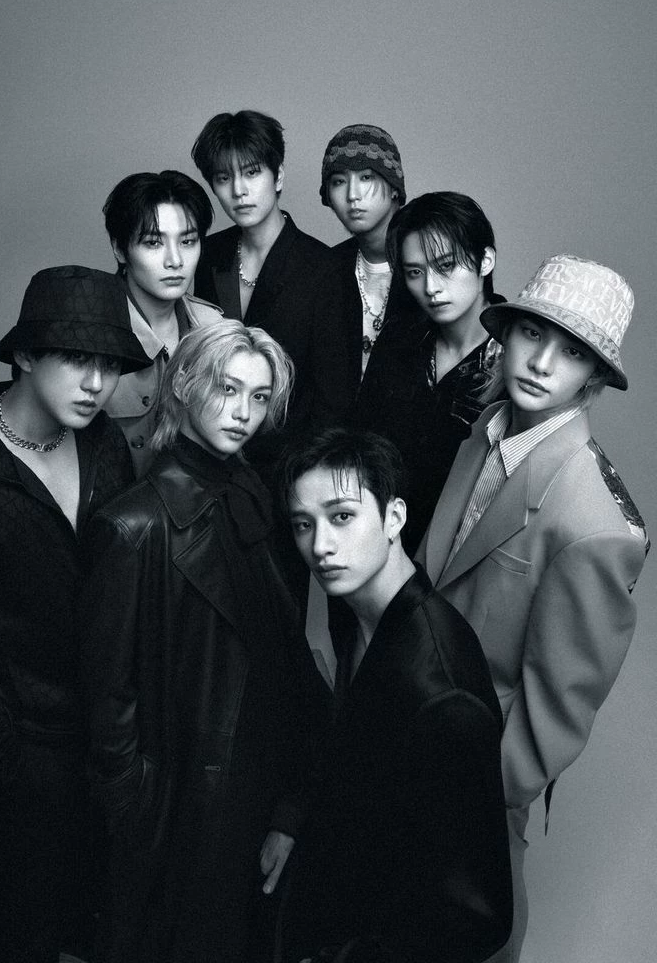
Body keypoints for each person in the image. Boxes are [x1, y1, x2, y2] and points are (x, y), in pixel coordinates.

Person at [417, 254, 650, 962]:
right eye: (532, 334)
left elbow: (554, 716)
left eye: (572, 352)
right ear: (507, 333)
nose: (543, 364)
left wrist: (475, 798)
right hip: (406, 742)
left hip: (475, 787)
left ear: (594, 377)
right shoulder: (485, 430)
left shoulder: (598, 525)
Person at [0, 266, 151, 963]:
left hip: (118, 742)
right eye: (76, 359)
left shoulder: (105, 446)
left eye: (109, 364)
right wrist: (11, 763)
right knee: (23, 934)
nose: (97, 383)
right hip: (30, 761)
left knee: (119, 928)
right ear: (23, 354)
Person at [79, 321, 325, 963]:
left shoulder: (253, 497)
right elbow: (107, 703)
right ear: (184, 385)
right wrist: (139, 819)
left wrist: (290, 807)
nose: (244, 413)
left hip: (255, 798)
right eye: (227, 389)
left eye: (260, 397)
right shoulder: (133, 526)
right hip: (179, 820)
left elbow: (281, 662)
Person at [277, 427, 513, 963]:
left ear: (394, 518)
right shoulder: (357, 616)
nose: (320, 546)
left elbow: (476, 920)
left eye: (342, 516)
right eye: (303, 524)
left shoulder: (441, 691)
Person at [356, 191, 505, 553]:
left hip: (460, 557)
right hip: (377, 542)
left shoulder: (515, 359)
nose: (430, 288)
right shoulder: (399, 337)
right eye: (415, 273)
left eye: (446, 266)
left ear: (485, 260)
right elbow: (361, 438)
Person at [192, 109, 344, 458]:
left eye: (251, 172)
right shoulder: (208, 254)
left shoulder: (324, 269)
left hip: (290, 461)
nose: (239, 191)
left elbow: (332, 400)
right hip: (212, 454)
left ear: (278, 177)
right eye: (223, 178)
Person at [103, 169, 223, 473]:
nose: (175, 260)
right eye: (154, 243)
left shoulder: (214, 329)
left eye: (188, 241)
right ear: (119, 249)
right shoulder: (92, 331)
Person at [319, 123, 422, 407]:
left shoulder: (429, 265)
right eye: (338, 182)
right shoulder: (325, 269)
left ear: (394, 188)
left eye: (366, 177)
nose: (353, 194)